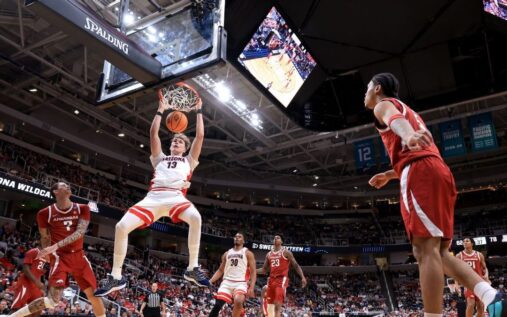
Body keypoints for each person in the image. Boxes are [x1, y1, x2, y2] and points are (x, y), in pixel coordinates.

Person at [365, 72, 506, 317]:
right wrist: (391, 173)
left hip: (420, 173)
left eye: (367, 88)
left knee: (423, 250)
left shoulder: (383, 105)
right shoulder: (412, 111)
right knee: (439, 252)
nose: (364, 93)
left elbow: (395, 120)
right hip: (437, 171)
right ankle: (490, 295)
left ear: (378, 88)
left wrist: (407, 136)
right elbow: (417, 149)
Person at [95, 89, 208, 297]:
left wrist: (199, 110)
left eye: (180, 141)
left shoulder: (189, 161)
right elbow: (153, 134)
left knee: (196, 218)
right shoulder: (159, 158)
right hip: (153, 198)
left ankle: (192, 268)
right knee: (121, 226)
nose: (175, 142)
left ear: (185, 148)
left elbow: (200, 135)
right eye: (174, 140)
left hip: (175, 197)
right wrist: (160, 110)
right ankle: (116, 276)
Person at [2, 182, 106, 317]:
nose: (68, 186)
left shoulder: (83, 208)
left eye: (69, 185)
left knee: (94, 295)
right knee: (52, 301)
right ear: (55, 191)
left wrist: (55, 246)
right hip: (59, 258)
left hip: (78, 257)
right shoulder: (45, 213)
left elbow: (80, 232)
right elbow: (44, 237)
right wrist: (47, 251)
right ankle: (13, 316)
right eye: (64, 185)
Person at [257, 234, 306, 317]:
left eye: (278, 237)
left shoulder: (286, 252)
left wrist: (303, 277)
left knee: (277, 304)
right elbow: (264, 270)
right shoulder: (269, 254)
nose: (276, 238)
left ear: (281, 241)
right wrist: (252, 271)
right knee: (270, 307)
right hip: (271, 280)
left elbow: (296, 265)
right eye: (275, 237)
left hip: (281, 280)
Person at [209, 233, 256, 317]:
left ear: (243, 241)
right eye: (236, 236)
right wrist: (210, 281)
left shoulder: (248, 253)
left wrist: (252, 287)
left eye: (239, 237)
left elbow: (253, 271)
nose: (237, 238)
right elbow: (220, 270)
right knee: (217, 305)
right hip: (226, 282)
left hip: (240, 282)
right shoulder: (227, 253)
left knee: (238, 300)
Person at [456, 238, 490, 317]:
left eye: (467, 241)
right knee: (471, 304)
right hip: (468, 283)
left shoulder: (479, 255)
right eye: (463, 241)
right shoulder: (459, 255)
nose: (465, 242)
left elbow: (484, 268)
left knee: (481, 306)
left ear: (472, 244)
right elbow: (456, 271)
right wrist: (456, 284)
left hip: (480, 283)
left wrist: (487, 277)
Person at [10, 247, 48, 317]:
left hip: (35, 286)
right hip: (25, 283)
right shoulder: (33, 251)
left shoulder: (47, 256)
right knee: (16, 309)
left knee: (37, 309)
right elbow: (25, 269)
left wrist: (40, 288)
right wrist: (37, 282)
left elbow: (38, 273)